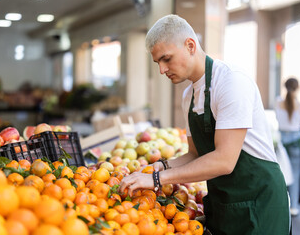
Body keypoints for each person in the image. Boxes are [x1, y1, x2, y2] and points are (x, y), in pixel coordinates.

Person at [119, 14, 290, 234]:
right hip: (226, 207)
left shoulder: (231, 81)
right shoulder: (188, 96)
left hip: (260, 206)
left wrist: (156, 178)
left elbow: (224, 160)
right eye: (157, 62)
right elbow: (195, 154)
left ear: (190, 45)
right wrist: (162, 165)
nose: (161, 69)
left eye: (166, 58)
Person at [275, 78, 300, 216]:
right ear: (298, 88)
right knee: (294, 174)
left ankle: (279, 205)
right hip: (295, 142)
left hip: (281, 142)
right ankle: (293, 207)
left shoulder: (277, 103)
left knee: (280, 174)